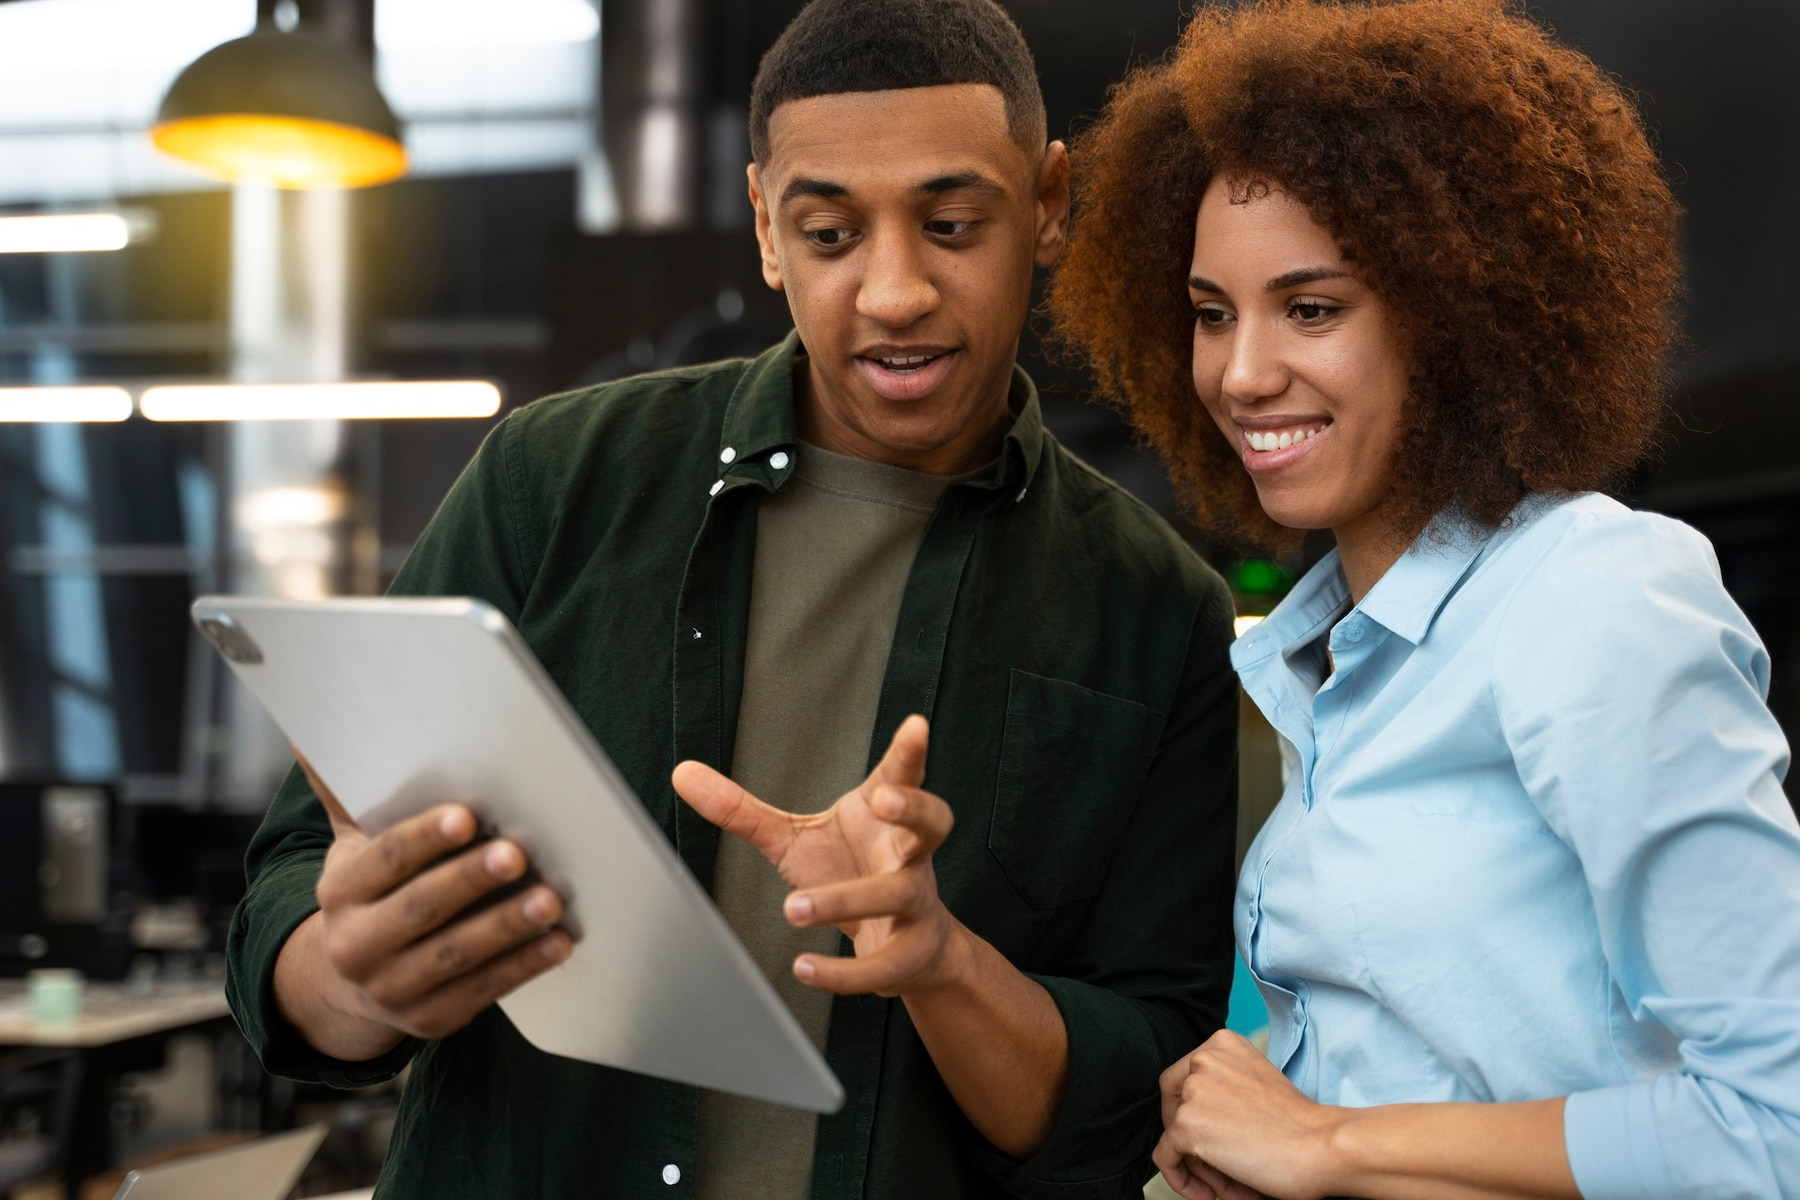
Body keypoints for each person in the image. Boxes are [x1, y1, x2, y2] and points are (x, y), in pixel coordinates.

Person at [225, 1, 1242, 1197]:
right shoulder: (555, 479)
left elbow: (1138, 1078)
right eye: (829, 234)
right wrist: (355, 979)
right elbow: (293, 893)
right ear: (765, 227)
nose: (895, 292)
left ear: (1050, 203)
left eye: (953, 224)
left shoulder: (1152, 606)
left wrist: (943, 963)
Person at [1048, 1, 1800, 1198]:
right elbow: (1465, 1048)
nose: (1241, 373)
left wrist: (1327, 1145)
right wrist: (1266, 1105)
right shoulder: (1344, 655)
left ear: (1455, 315)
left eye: (1311, 308)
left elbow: (1775, 1130)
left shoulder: (1590, 596)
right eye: (1210, 314)